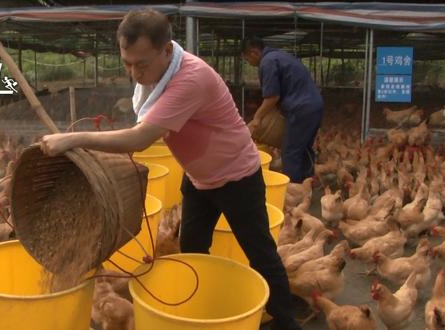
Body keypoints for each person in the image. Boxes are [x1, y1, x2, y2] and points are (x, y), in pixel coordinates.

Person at [40, 9, 300, 330]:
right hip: (200, 179)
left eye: (142, 63)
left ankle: (288, 323)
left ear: (167, 50)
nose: (134, 72)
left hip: (237, 177)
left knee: (260, 253)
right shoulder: (155, 79)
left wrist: (72, 140)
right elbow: (144, 125)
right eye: (127, 62)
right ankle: (199, 312)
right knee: (191, 248)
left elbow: (139, 138)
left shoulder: (191, 78)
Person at [242, 37, 324, 184]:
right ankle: (306, 186)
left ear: (254, 53)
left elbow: (272, 97)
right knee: (302, 147)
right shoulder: (280, 56)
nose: (250, 63)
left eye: (247, 59)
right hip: (313, 105)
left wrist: (257, 119)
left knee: (290, 151)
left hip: (301, 108)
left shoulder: (267, 62)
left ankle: (292, 188)